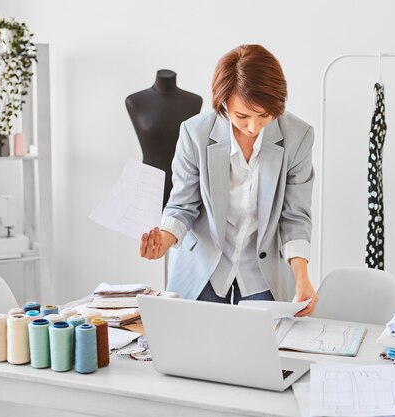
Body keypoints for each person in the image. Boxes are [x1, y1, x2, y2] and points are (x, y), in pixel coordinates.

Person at [139, 44, 318, 316]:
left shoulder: (298, 136)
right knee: (196, 355)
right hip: (202, 271)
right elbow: (182, 205)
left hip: (262, 273)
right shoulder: (194, 133)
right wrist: (161, 242)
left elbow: (295, 217)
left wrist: (302, 277)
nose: (253, 127)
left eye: (264, 116)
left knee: (261, 354)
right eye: (242, 116)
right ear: (223, 104)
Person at [125, 69, 203, 208]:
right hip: (148, 182)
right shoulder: (135, 101)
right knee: (147, 228)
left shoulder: (194, 101)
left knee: (180, 226)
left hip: (184, 180)